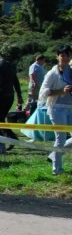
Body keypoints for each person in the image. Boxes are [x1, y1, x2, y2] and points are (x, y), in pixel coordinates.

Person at [39, 46, 72, 175]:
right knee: (61, 138)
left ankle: (53, 154)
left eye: (68, 55)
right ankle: (57, 169)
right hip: (57, 108)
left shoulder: (71, 71)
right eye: (62, 55)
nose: (65, 58)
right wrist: (61, 91)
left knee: (63, 140)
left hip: (70, 108)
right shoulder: (52, 73)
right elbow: (44, 92)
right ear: (57, 57)